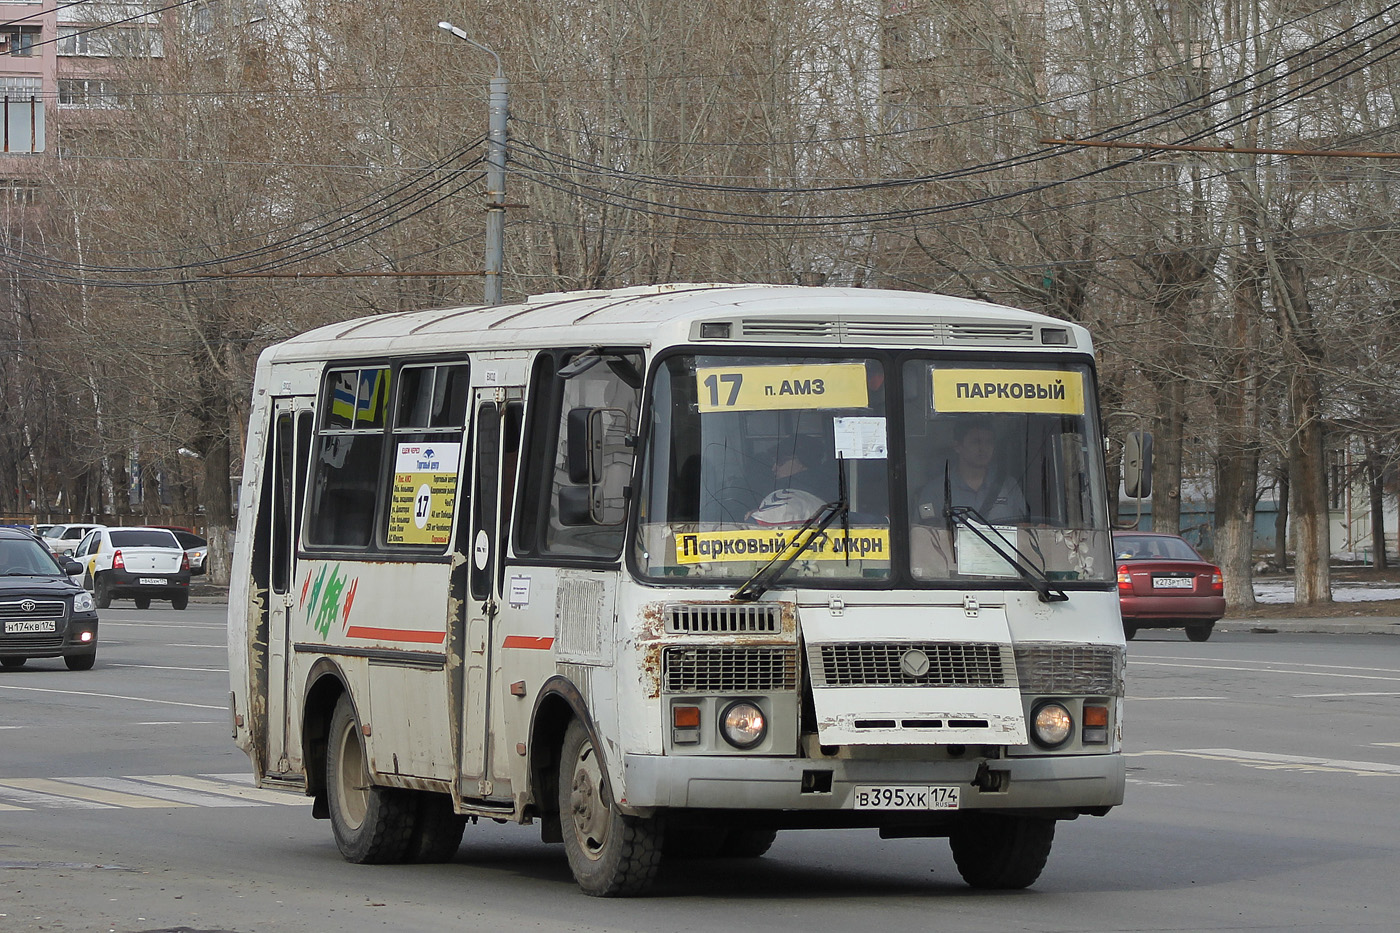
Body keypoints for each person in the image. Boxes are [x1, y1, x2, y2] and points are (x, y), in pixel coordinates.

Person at [914, 420, 1026, 524]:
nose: (983, 448)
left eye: (989, 442)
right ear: (957, 446)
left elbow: (1023, 532)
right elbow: (926, 537)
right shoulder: (935, 491)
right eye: (976, 442)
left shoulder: (1009, 487)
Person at [748, 434, 834, 525]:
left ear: (803, 461)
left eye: (780, 461)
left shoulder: (785, 491)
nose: (774, 468)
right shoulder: (832, 487)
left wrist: (754, 515)